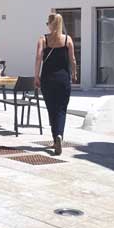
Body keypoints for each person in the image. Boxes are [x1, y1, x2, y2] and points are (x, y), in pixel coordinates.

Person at [34, 15, 77, 156]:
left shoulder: (43, 39)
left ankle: (55, 138)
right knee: (61, 109)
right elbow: (72, 59)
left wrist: (36, 76)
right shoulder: (67, 40)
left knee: (51, 108)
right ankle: (59, 135)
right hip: (63, 79)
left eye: (48, 23)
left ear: (51, 24)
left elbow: (38, 58)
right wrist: (74, 73)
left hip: (48, 79)